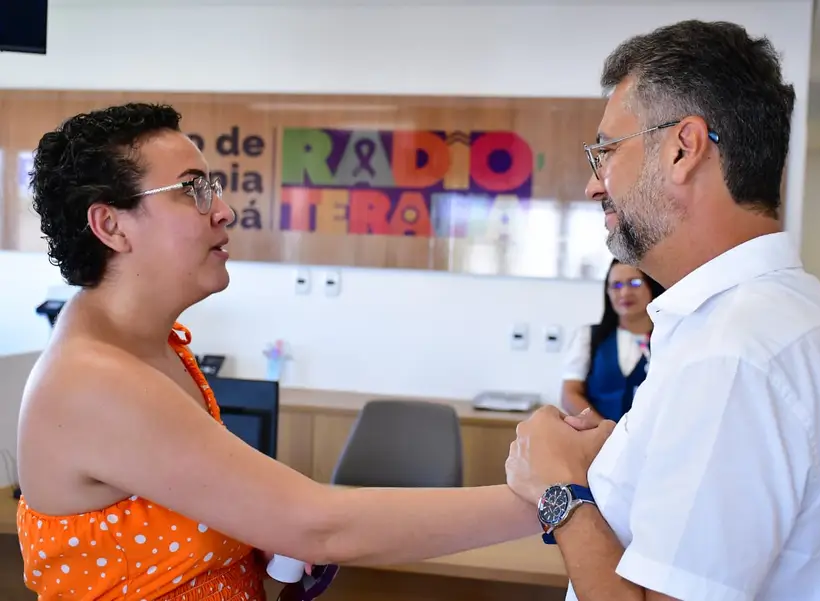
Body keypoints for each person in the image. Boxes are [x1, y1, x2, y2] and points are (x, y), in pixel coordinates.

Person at [15, 103, 541, 601]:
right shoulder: (94, 381)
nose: (224, 210)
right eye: (193, 190)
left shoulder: (155, 348)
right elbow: (320, 525)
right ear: (111, 225)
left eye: (214, 188)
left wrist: (252, 532)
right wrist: (547, 501)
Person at [504, 19, 820, 601]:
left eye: (606, 152)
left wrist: (559, 488)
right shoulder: (789, 322)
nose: (595, 186)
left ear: (682, 148)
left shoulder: (733, 356)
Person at [561, 259, 664, 420]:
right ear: (607, 292)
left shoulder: (668, 338)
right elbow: (570, 394)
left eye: (634, 283)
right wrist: (605, 431)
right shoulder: (589, 337)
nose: (624, 293)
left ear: (651, 285)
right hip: (598, 439)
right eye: (616, 285)